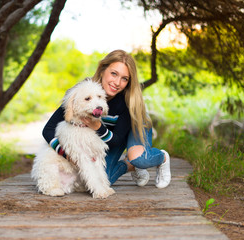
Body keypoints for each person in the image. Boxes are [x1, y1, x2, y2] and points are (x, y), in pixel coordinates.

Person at [42, 49, 171, 188]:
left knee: (139, 159)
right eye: (114, 74)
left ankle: (161, 158)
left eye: (124, 78)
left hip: (133, 126)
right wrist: (67, 155)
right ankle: (130, 166)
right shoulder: (83, 92)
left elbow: (116, 140)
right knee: (103, 179)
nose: (117, 82)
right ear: (103, 70)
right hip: (108, 136)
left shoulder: (128, 102)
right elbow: (48, 129)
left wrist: (97, 126)